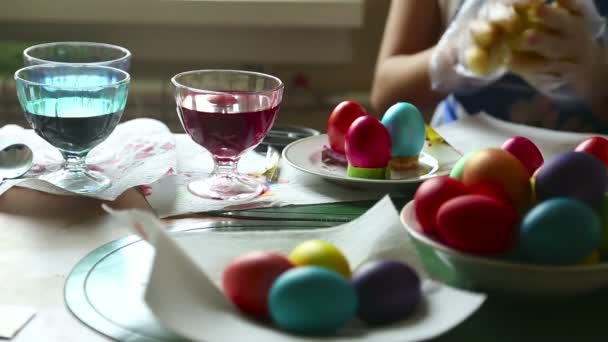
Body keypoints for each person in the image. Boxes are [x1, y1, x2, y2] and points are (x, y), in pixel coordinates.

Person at [371, 0, 608, 133]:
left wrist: (595, 74)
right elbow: (387, 92)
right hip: (458, 166)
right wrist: (456, 57)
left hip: (589, 179)